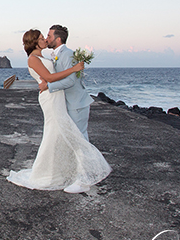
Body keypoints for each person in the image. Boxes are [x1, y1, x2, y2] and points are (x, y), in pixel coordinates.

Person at [8, 30, 111, 193]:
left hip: (57, 97)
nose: (45, 40)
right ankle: (49, 173)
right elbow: (49, 78)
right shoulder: (33, 59)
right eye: (42, 38)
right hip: (50, 99)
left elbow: (53, 78)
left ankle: (61, 172)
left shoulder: (44, 57)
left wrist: (67, 73)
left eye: (46, 37)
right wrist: (74, 69)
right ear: (35, 42)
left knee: (59, 134)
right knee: (54, 133)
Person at [38, 24, 95, 141]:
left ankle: (88, 160)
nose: (46, 39)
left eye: (49, 36)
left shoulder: (67, 54)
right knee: (73, 140)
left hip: (76, 104)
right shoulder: (58, 55)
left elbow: (71, 81)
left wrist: (48, 86)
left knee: (80, 140)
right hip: (69, 103)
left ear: (58, 39)